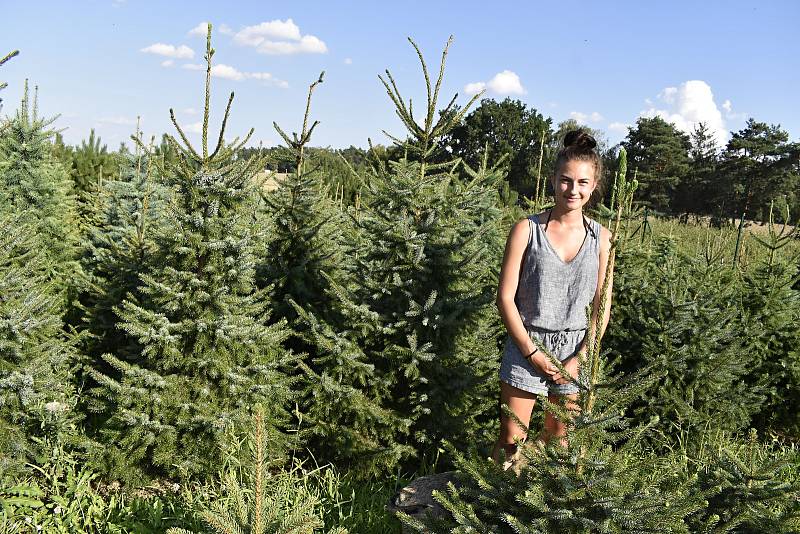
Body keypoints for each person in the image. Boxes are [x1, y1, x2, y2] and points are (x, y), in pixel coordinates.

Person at [492, 129, 613, 464]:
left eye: (582, 183)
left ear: (594, 185)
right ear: (553, 179)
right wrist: (531, 353)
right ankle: (494, 508)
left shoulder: (602, 239)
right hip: (526, 346)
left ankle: (537, 511)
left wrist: (582, 358)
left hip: (576, 351)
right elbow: (505, 298)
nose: (573, 190)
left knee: (560, 445)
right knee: (511, 439)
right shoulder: (526, 230)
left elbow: (602, 306)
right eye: (565, 180)